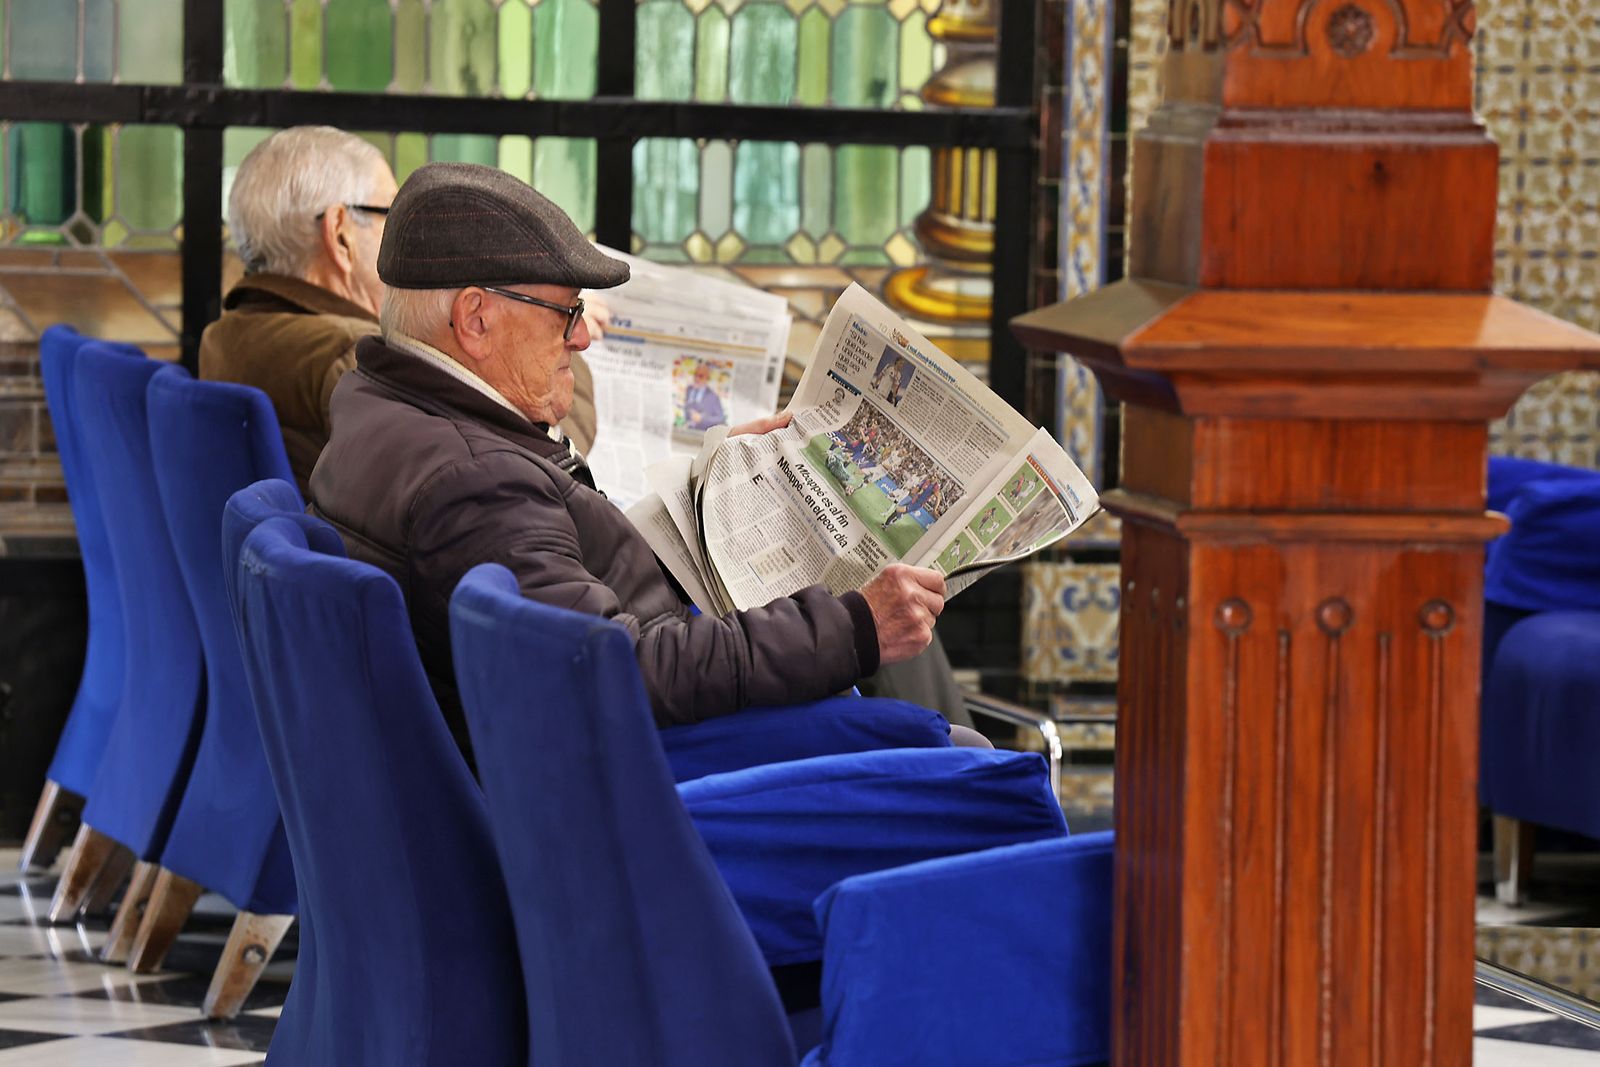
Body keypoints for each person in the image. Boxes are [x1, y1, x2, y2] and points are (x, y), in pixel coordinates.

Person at [308, 162, 947, 756]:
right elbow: (620, 671)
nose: (582, 337)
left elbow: (556, 574)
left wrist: (715, 487)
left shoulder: (381, 406)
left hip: (577, 753)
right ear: (475, 319)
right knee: (951, 743)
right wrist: (852, 629)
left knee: (891, 625)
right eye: (566, 313)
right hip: (647, 783)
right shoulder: (472, 481)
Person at [200, 127, 601, 495]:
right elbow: (532, 461)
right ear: (341, 234)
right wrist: (555, 316)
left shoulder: (225, 335)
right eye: (391, 217)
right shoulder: (351, 355)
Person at [680, 361, 727, 430]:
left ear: (707, 378)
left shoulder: (713, 397)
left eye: (701, 376)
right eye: (695, 375)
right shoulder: (689, 390)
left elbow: (720, 418)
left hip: (703, 433)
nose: (697, 378)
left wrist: (702, 419)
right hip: (687, 430)